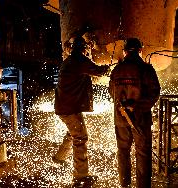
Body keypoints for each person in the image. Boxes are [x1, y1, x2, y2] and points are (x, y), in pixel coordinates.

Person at [54, 36, 110, 187]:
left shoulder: (69, 60)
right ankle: (81, 176)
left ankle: (59, 158)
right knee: (81, 137)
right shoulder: (79, 60)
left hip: (63, 106)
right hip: (70, 108)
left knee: (73, 133)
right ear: (83, 49)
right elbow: (99, 71)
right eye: (86, 49)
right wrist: (109, 67)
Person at [108, 38, 161, 188]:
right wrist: (137, 106)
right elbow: (154, 93)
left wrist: (124, 105)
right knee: (143, 153)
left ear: (124, 52)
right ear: (140, 51)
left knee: (123, 151)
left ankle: (124, 184)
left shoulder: (116, 70)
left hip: (120, 118)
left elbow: (111, 92)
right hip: (140, 119)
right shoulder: (146, 69)